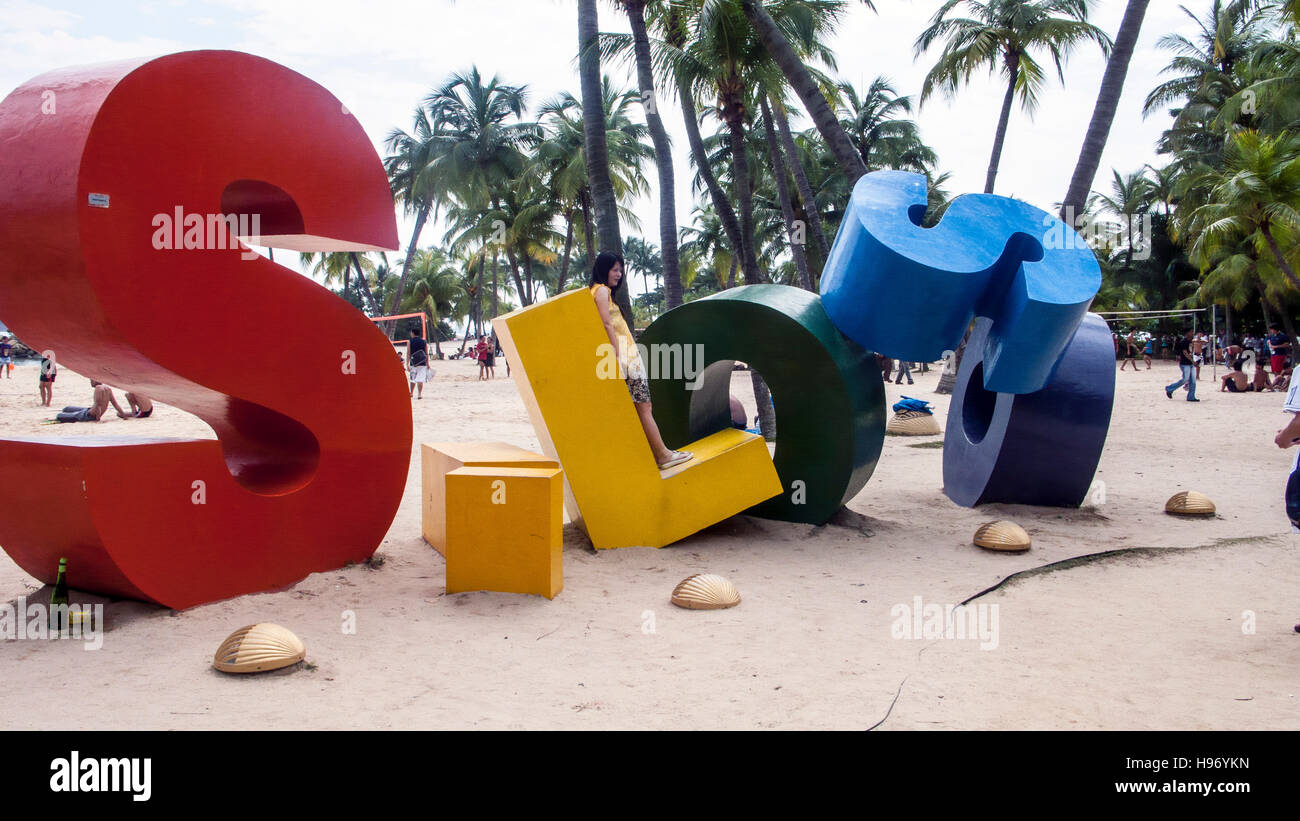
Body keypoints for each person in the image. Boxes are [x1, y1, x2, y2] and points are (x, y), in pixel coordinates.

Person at [590, 251, 692, 469]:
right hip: (626, 360)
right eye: (614, 269)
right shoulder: (601, 291)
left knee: (641, 409)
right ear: (603, 269)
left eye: (620, 270)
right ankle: (663, 456)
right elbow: (606, 325)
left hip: (626, 359)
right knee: (645, 408)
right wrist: (615, 356)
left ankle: (659, 454)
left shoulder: (600, 292)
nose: (619, 274)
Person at [56, 380, 127, 423]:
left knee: (59, 416)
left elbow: (98, 405)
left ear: (95, 380)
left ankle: (75, 414)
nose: (90, 382)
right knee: (66, 408)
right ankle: (76, 413)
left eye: (91, 380)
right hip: (89, 410)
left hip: (88, 415)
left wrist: (98, 419)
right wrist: (124, 416)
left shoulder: (98, 388)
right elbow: (115, 404)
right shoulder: (108, 389)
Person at [1165, 329, 1199, 402]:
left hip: (1190, 363)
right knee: (1185, 379)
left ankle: (1191, 396)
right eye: (1191, 332)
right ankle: (1170, 388)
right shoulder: (1183, 342)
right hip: (1185, 363)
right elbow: (1185, 353)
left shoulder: (1191, 341)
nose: (1192, 333)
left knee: (1193, 381)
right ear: (1187, 333)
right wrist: (1193, 361)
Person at [407, 327, 430, 399]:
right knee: (420, 379)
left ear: (413, 333)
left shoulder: (409, 342)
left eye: (411, 332)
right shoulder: (424, 342)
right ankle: (419, 394)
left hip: (413, 362)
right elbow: (426, 353)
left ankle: (411, 393)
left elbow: (408, 353)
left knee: (413, 378)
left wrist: (407, 363)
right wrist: (428, 363)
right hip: (422, 362)